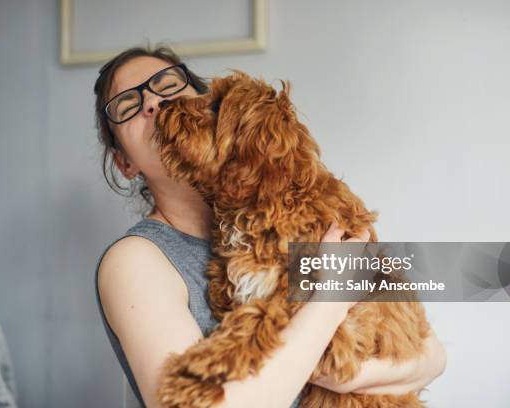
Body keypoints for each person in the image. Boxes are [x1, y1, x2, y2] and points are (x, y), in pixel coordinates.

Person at [93, 45, 446, 408]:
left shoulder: (301, 214)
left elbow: (431, 356)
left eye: (166, 84)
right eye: (127, 106)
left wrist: (340, 374)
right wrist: (329, 303)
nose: (154, 103)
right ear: (125, 163)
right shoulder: (134, 261)